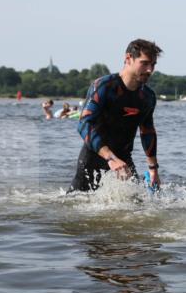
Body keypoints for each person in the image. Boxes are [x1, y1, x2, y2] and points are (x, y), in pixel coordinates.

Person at [69, 39, 162, 192]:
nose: (149, 70)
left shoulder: (148, 96)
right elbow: (84, 124)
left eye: (153, 65)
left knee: (136, 204)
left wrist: (153, 170)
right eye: (144, 63)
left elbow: (147, 132)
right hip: (93, 159)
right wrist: (111, 158)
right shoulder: (104, 86)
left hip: (124, 160)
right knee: (75, 203)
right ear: (128, 58)